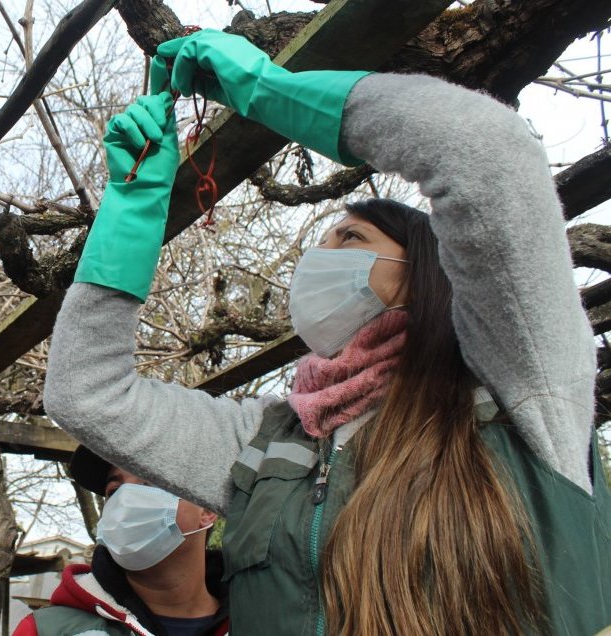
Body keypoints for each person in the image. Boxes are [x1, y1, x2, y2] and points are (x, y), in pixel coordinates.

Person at [43, 29, 611, 635]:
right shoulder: (261, 442)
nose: (319, 261)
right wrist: (131, 211)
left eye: (351, 239)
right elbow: (87, 393)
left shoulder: (520, 383)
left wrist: (267, 92)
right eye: (318, 245)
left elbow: (485, 149)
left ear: (423, 276)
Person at [13, 446, 228, 636]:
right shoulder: (45, 631)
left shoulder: (255, 623)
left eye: (152, 483)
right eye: (114, 491)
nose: (127, 502)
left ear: (207, 509)